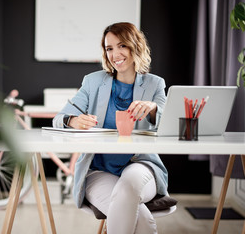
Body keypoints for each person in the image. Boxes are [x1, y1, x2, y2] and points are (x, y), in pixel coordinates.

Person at [52, 22, 168, 234]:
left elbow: (168, 125)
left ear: (135, 46)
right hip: (99, 171)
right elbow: (59, 119)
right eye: (109, 48)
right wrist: (73, 121)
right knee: (141, 218)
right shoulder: (93, 82)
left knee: (128, 186)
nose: (115, 54)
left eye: (122, 45)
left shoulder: (155, 85)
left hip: (141, 166)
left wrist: (153, 109)